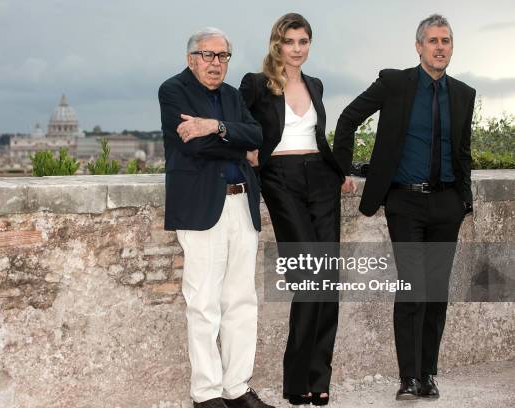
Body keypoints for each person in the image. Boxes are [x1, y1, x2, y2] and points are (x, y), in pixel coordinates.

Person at [333, 14, 475, 401]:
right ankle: (408, 377)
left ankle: (428, 374)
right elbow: (348, 119)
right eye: (433, 41)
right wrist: (341, 167)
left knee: (436, 293)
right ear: (418, 46)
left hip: (447, 203)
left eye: (446, 40)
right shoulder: (394, 83)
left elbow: (462, 151)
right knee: (413, 287)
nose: (440, 47)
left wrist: (464, 199)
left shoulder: (463, 94)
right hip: (405, 202)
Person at [158, 27, 274, 408]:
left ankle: (237, 388)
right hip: (201, 208)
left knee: (241, 301)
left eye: (223, 56)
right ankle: (206, 395)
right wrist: (234, 144)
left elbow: (256, 135)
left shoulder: (232, 95)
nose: (216, 63)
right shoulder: (173, 90)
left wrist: (215, 127)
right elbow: (193, 148)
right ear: (192, 58)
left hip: (241, 204)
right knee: (203, 303)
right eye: (208, 55)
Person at [240, 13, 345, 406]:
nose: (297, 49)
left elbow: (319, 136)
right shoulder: (256, 83)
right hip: (279, 178)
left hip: (320, 178)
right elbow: (238, 123)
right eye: (290, 41)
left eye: (303, 42)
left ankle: (319, 378)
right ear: (277, 44)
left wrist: (339, 172)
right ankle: (296, 378)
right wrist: (247, 151)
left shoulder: (315, 84)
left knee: (326, 281)